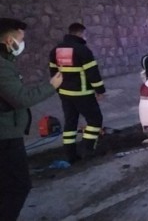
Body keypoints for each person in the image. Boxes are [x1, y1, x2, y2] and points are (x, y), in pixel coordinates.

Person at [0, 18, 63, 221]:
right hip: (5, 136)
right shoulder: (2, 67)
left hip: (7, 132)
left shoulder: (6, 63)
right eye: (21, 38)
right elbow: (21, 98)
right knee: (18, 186)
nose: (23, 43)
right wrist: (51, 86)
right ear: (10, 40)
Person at [49, 22, 106, 163]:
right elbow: (92, 73)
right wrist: (100, 90)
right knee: (95, 120)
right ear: (80, 33)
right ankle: (88, 149)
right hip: (83, 93)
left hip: (65, 94)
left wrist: (58, 90)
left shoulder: (55, 50)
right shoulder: (82, 50)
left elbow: (53, 73)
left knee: (70, 123)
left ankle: (71, 155)